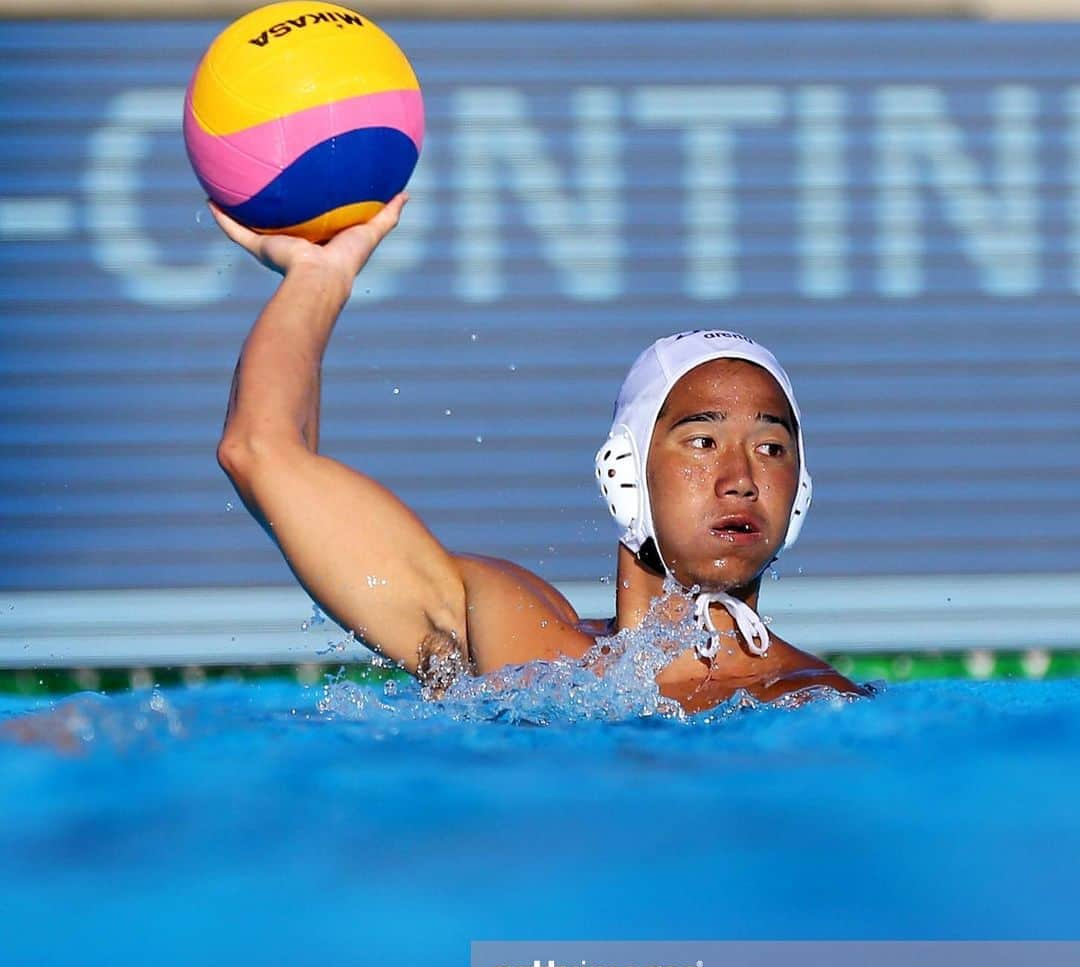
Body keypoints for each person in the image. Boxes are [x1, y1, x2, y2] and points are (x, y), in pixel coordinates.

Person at [210, 194, 864, 713]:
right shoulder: (509, 630)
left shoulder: (809, 702)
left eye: (772, 447)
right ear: (624, 476)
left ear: (799, 495)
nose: (743, 479)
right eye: (702, 441)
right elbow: (261, 452)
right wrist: (319, 277)